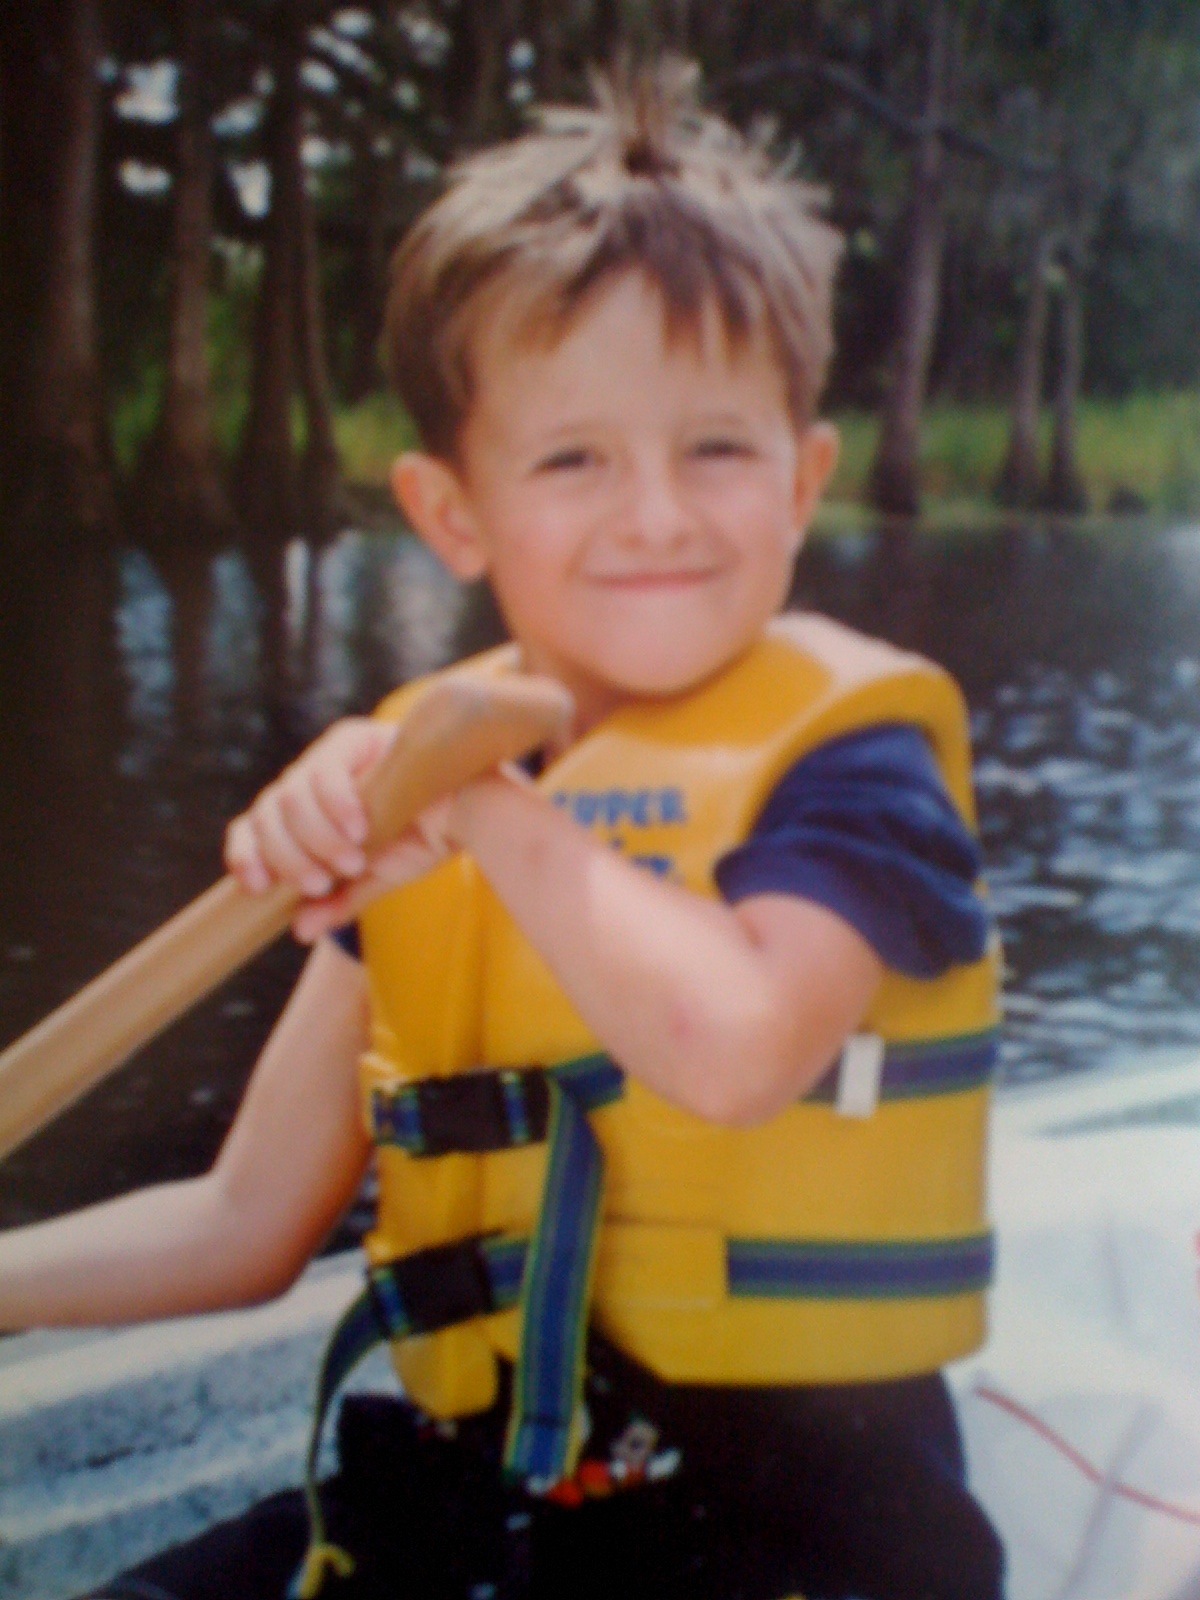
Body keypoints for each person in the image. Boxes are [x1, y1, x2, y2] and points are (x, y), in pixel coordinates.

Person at [0, 62, 1004, 1600]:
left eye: (717, 448)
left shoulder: (853, 771)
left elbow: (736, 1050)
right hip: (471, 1506)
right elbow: (246, 1219)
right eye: (572, 457)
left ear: (803, 481)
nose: (657, 513)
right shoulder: (440, 799)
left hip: (794, 1539)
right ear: (452, 512)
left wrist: (473, 802)